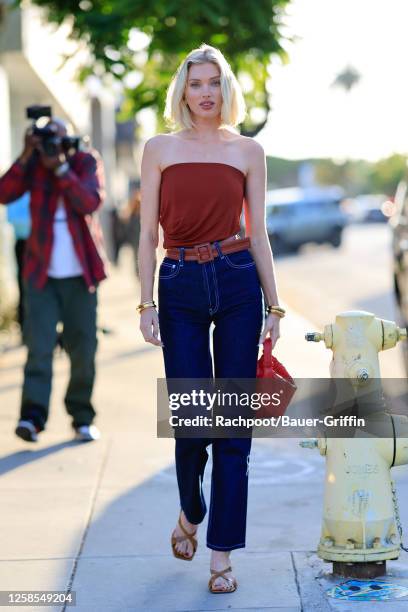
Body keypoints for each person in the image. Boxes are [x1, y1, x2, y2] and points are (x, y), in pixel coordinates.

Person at [138, 43, 283, 593]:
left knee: (234, 430)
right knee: (194, 424)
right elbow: (148, 235)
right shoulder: (159, 149)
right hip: (178, 285)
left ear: (226, 90)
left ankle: (221, 556)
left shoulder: (249, 151)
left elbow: (260, 231)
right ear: (183, 91)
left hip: (238, 279)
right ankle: (190, 512)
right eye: (196, 83)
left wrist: (275, 303)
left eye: (214, 83)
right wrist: (146, 302)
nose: (205, 93)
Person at [0, 119, 106, 443]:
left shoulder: (84, 161)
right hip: (41, 275)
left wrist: (61, 169)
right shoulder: (33, 165)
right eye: (46, 140)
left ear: (69, 139)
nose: (51, 146)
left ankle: (81, 417)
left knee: (84, 348)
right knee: (39, 348)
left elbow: (90, 201)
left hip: (81, 274)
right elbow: (4, 193)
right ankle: (32, 419)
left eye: (57, 140)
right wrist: (25, 153)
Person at [5, 192, 31, 335]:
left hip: (39, 239)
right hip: (25, 241)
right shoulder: (19, 180)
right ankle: (25, 327)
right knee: (25, 284)